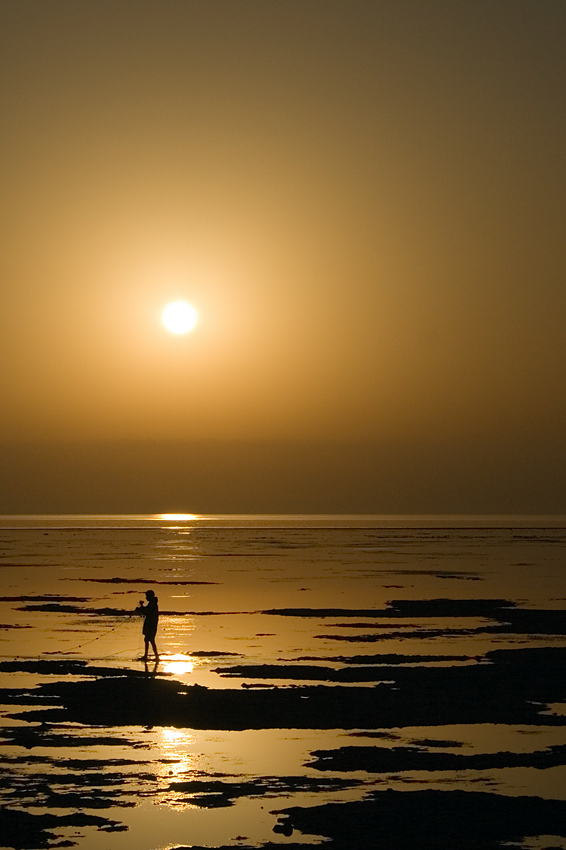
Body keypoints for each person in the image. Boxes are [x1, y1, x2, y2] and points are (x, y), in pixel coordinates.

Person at [137, 590, 159, 662]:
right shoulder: (152, 603)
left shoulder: (153, 604)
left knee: (151, 640)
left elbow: (147, 612)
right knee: (147, 639)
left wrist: (141, 608)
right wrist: (141, 607)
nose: (146, 598)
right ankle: (147, 655)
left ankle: (156, 656)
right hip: (150, 624)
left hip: (151, 624)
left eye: (147, 596)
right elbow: (146, 610)